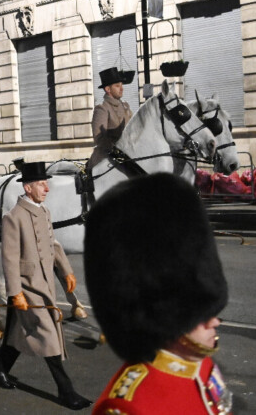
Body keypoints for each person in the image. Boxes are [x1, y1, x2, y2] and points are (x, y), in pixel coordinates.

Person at [84, 173, 231, 414]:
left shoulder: (201, 365)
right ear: (163, 313)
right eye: (200, 314)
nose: (215, 320)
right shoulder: (127, 407)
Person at [0, 162, 91, 410]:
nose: (47, 188)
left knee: (17, 332)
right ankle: (67, 391)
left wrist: (66, 271)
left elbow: (53, 244)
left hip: (46, 284)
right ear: (28, 187)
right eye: (42, 184)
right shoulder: (14, 218)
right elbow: (9, 259)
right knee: (48, 334)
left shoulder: (44, 212)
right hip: (28, 286)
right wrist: (16, 293)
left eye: (47, 183)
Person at [89, 67, 133, 169]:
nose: (121, 88)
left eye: (122, 85)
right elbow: (99, 138)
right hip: (106, 162)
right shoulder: (102, 108)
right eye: (117, 86)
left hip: (128, 157)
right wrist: (119, 150)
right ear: (108, 89)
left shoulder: (126, 106)